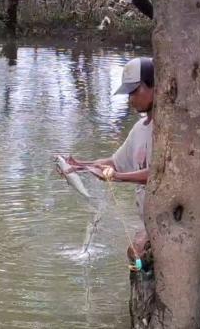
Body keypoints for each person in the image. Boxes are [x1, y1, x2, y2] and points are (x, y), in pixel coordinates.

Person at [66, 57, 154, 261]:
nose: (130, 98)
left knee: (138, 253)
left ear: (156, 86)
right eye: (128, 93)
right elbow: (115, 163)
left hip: (166, 221)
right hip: (147, 220)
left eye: (135, 91)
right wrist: (80, 166)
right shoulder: (139, 129)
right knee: (134, 253)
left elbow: (157, 174)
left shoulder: (168, 131)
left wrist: (117, 177)